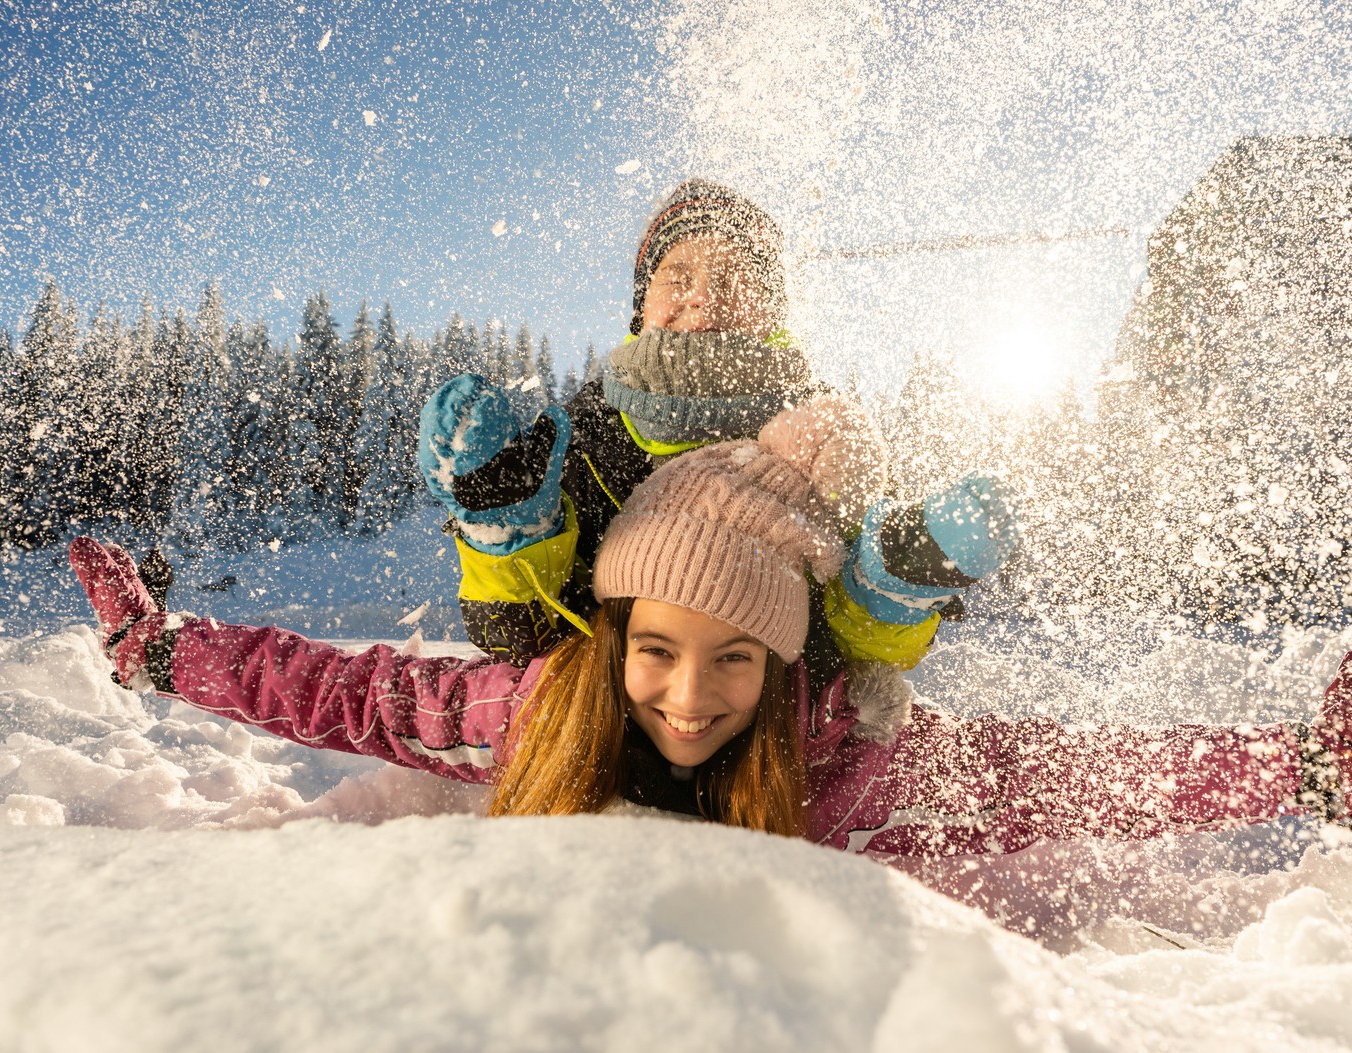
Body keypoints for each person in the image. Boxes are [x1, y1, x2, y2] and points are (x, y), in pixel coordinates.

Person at [71, 399, 1352, 855]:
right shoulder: (543, 708)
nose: (688, 696)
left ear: (787, 664)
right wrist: (163, 652)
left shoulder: (849, 756)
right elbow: (345, 694)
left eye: (734, 661)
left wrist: (1295, 766)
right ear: (611, 639)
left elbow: (1060, 782)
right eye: (656, 648)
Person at [420, 178, 1015, 691]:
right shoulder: (581, 438)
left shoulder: (827, 441)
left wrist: (893, 592)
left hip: (770, 753)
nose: (702, 298)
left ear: (771, 312)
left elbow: (856, 667)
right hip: (596, 735)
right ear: (642, 305)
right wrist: (505, 534)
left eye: (735, 278)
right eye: (677, 275)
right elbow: (518, 643)